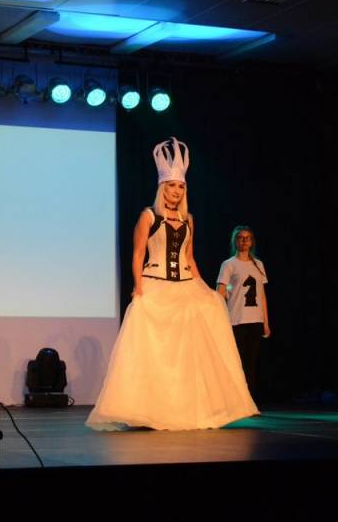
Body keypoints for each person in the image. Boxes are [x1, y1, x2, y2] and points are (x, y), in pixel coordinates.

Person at [86, 137, 258, 431]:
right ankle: (152, 409)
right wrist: (138, 287)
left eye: (180, 186)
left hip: (185, 285)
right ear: (162, 187)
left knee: (197, 337)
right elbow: (138, 254)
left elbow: (189, 258)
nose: (176, 191)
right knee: (158, 351)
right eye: (171, 186)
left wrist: (206, 289)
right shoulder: (149, 216)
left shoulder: (188, 219)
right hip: (155, 283)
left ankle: (190, 409)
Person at [217, 226, 270, 403]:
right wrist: (219, 317)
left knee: (251, 363)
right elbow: (220, 292)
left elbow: (262, 295)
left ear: (252, 242)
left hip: (255, 320)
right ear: (235, 241)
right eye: (240, 237)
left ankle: (249, 401)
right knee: (236, 363)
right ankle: (234, 401)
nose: (244, 240)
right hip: (236, 320)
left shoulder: (258, 265)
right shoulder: (229, 264)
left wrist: (266, 322)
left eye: (247, 238)